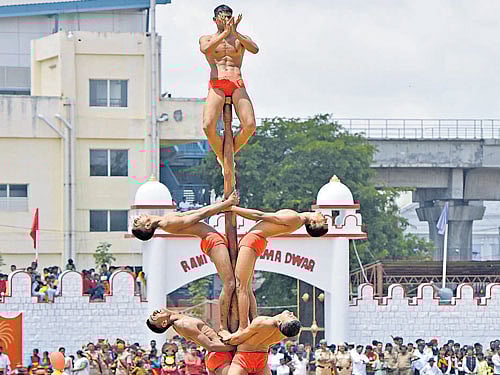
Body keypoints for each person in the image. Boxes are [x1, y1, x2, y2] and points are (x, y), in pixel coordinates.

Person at [134, 191, 238, 333]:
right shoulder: (167, 222)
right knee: (230, 283)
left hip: (213, 238)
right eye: (136, 223)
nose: (137, 219)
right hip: (212, 240)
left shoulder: (165, 218)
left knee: (236, 283)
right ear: (147, 227)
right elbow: (200, 215)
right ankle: (223, 326)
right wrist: (226, 204)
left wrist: (223, 205)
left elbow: (198, 211)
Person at [229, 205, 327, 332]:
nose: (324, 217)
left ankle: (243, 327)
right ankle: (253, 321)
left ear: (313, 222)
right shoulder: (297, 219)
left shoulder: (295, 218)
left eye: (324, 221)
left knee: (241, 286)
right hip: (255, 241)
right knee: (246, 287)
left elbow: (259, 215)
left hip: (252, 241)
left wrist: (232, 208)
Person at [199, 4, 259, 169]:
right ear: (214, 20)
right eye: (222, 17)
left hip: (236, 83)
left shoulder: (239, 38)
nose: (225, 21)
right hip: (217, 83)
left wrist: (234, 33)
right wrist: (224, 33)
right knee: (207, 125)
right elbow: (205, 49)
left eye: (228, 17)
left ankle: (228, 156)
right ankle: (222, 157)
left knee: (250, 125)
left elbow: (255, 49)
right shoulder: (207, 38)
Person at [219, 310, 301, 375]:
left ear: (280, 322)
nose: (291, 312)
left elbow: (238, 339)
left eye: (290, 316)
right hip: (262, 358)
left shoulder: (263, 322)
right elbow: (270, 344)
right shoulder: (285, 333)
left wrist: (224, 336)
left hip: (244, 357)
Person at [147, 308, 235, 354]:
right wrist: (236, 347)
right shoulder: (184, 324)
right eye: (153, 317)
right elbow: (211, 346)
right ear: (164, 323)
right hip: (221, 353)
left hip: (220, 352)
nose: (154, 313)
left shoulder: (178, 323)